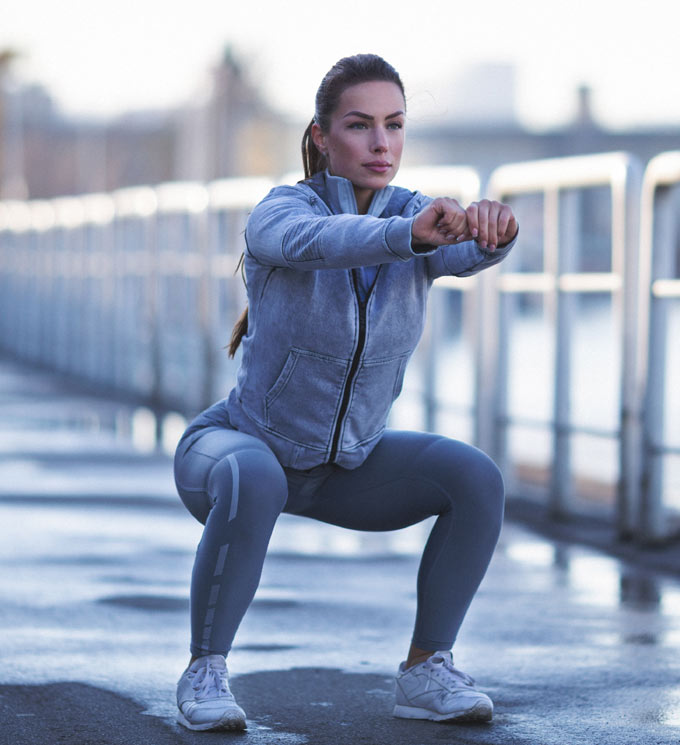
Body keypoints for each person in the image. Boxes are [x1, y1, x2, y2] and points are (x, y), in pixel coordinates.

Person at [173, 53, 518, 732]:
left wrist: (492, 232)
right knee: (251, 473)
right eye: (359, 125)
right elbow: (319, 241)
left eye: (393, 124)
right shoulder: (282, 210)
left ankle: (425, 669)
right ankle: (204, 672)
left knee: (473, 476)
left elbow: (456, 252)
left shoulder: (419, 214)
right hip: (236, 453)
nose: (380, 142)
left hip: (344, 469)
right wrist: (403, 236)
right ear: (322, 136)